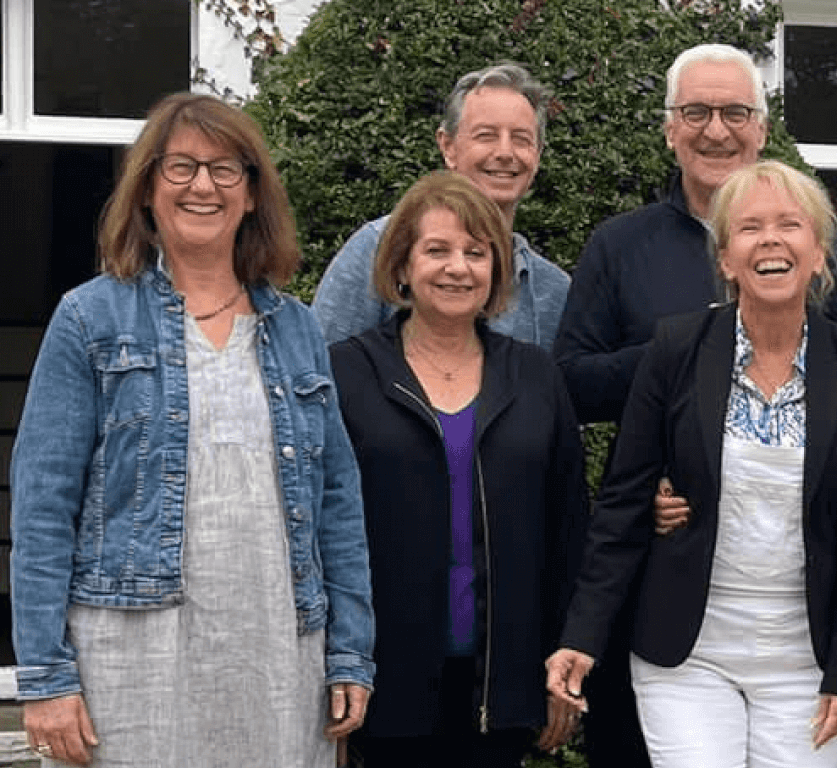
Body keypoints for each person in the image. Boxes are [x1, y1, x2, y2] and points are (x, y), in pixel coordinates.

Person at [10, 92, 373, 767]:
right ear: (147, 189)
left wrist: (350, 652)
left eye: (224, 168)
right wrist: (47, 677)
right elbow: (41, 509)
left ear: (251, 193)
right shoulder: (90, 320)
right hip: (130, 663)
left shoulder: (296, 329)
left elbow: (337, 506)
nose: (202, 185)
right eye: (180, 167)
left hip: (278, 662)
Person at [545, 160, 837, 768]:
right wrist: (581, 637)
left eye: (791, 225)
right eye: (749, 228)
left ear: (818, 253)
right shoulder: (676, 350)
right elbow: (623, 504)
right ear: (726, 259)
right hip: (687, 655)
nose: (770, 240)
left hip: (806, 662)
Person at [329, 171, 587, 767]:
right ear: (401, 265)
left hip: (506, 681)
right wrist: (331, 668)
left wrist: (566, 661)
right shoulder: (347, 374)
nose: (457, 267)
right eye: (437, 250)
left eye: (477, 253)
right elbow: (319, 535)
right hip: (381, 682)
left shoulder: (536, 376)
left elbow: (569, 529)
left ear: (496, 270)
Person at [555, 42, 837, 424]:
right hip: (665, 480)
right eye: (696, 113)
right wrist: (677, 351)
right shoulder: (619, 244)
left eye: (736, 113)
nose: (717, 131)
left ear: (761, 131)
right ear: (670, 130)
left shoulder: (809, 244)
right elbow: (572, 387)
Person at [313, 63, 572, 347]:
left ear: (538, 155)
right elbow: (318, 368)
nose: (505, 153)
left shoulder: (553, 291)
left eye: (521, 139)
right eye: (486, 136)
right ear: (448, 147)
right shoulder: (378, 248)